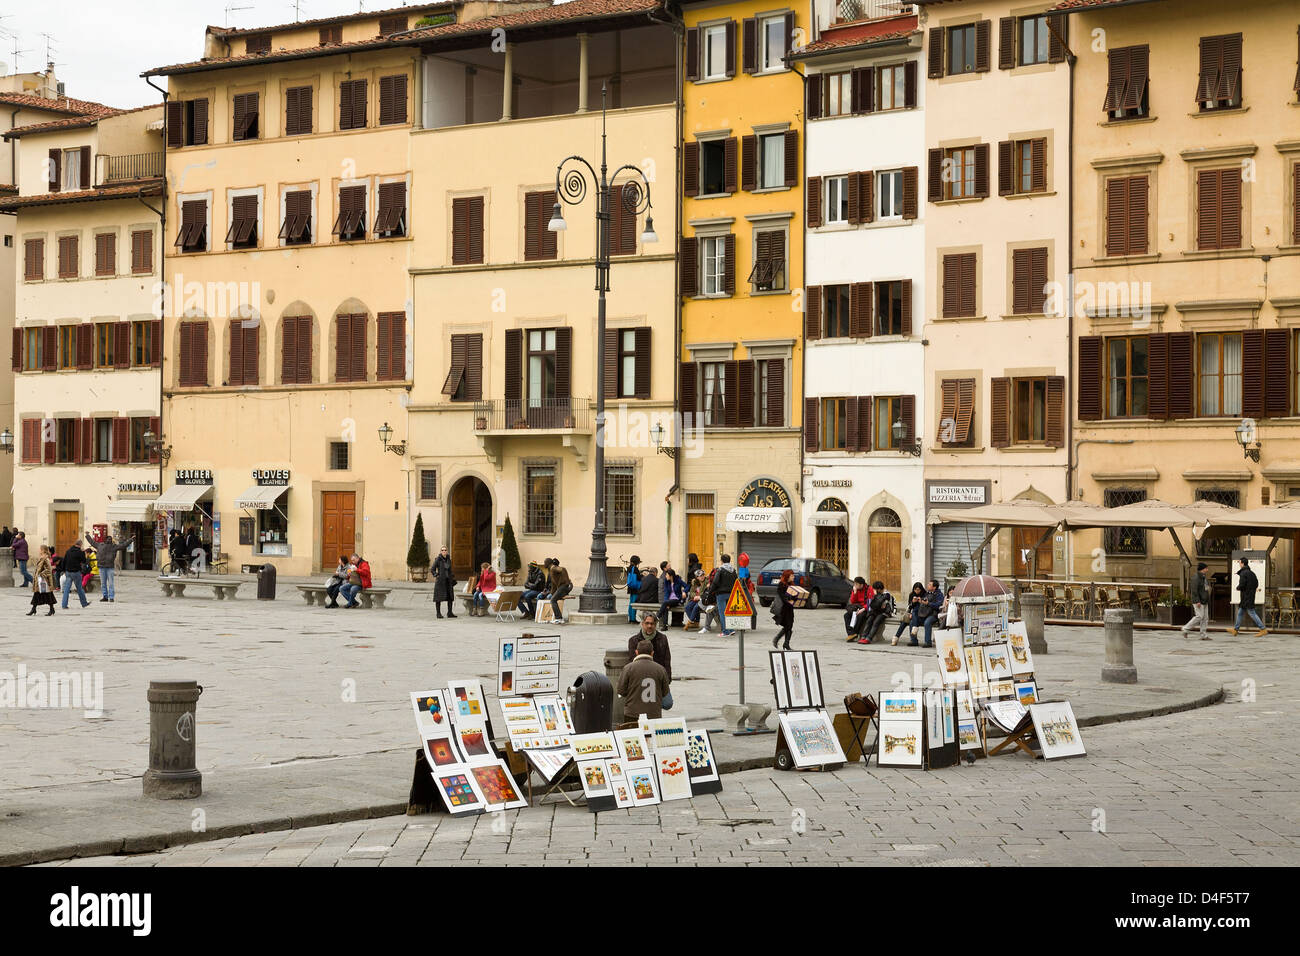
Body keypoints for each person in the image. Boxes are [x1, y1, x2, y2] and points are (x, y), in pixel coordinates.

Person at [616, 638, 671, 723]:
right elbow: (665, 693)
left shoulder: (628, 668)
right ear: (652, 653)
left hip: (632, 714)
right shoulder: (660, 669)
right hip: (654, 715)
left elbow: (621, 691)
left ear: (636, 652)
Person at [627, 612, 673, 683]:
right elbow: (632, 662)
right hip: (640, 679)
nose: (649, 626)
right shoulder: (633, 640)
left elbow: (666, 660)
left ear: (655, 625)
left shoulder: (662, 638)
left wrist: (667, 680)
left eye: (652, 623)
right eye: (647, 623)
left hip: (658, 677)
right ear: (642, 624)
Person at [1229, 559, 1267, 637]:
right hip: (1249, 596)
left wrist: (1238, 587)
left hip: (1246, 597)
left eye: (1239, 562)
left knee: (1252, 612)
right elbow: (1256, 584)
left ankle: (1263, 629)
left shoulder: (1243, 573)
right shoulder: (1252, 573)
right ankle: (1235, 630)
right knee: (1240, 613)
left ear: (1242, 563)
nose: (1239, 564)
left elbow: (1242, 584)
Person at [85, 532, 126, 603]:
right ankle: (111, 597)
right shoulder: (113, 546)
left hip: (102, 567)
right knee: (110, 583)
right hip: (109, 567)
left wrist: (87, 535)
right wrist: (131, 540)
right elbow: (123, 545)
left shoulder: (100, 545)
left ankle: (105, 596)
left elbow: (92, 542)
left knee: (103, 583)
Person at [706, 555, 738, 636]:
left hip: (721, 594)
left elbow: (715, 582)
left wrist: (710, 592)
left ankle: (725, 631)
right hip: (731, 594)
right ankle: (731, 629)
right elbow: (736, 582)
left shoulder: (720, 570)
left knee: (722, 613)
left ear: (722, 561)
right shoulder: (733, 570)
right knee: (729, 612)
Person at [1183, 562, 1212, 641]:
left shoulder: (1203, 577)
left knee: (1205, 618)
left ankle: (1203, 635)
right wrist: (1197, 601)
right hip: (1199, 601)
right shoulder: (1195, 578)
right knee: (1199, 616)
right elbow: (1194, 591)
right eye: (1206, 568)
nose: (1207, 570)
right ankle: (1185, 628)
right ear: (1202, 569)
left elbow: (1205, 589)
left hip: (1204, 600)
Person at [60, 540, 92, 610]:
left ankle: (64, 604)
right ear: (80, 545)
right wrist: (83, 553)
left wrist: (63, 570)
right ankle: (84, 603)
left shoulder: (68, 551)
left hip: (68, 572)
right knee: (79, 588)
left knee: (66, 589)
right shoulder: (80, 552)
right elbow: (84, 561)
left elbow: (64, 561)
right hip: (76, 572)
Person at [27, 545, 57, 617]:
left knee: (47, 595)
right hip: (40, 581)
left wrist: (41, 574)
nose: (39, 550)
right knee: (38, 594)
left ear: (43, 550)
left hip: (44, 581)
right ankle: (34, 609)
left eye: (40, 549)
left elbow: (48, 570)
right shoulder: (42, 558)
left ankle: (50, 609)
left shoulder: (45, 559)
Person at [431, 545, 457, 618]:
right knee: (438, 598)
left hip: (448, 581)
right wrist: (436, 575)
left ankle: (450, 612)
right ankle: (438, 613)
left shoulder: (449, 559)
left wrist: (452, 576)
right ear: (440, 551)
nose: (444, 551)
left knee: (450, 597)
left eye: (445, 550)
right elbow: (432, 569)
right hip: (440, 581)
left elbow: (450, 569)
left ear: (447, 551)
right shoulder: (438, 559)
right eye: (442, 550)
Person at [547, 558, 572, 623]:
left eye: (545, 562)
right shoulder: (551, 571)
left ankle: (559, 618)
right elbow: (554, 585)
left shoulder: (553, 568)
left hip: (563, 587)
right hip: (563, 587)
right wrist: (551, 593)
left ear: (548, 563)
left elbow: (562, 569)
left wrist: (567, 582)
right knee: (552, 598)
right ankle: (559, 618)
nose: (544, 564)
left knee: (553, 600)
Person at [624, 555, 642, 624]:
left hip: (630, 587)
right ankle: (633, 619)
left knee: (631, 603)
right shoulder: (635, 569)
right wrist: (642, 575)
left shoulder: (629, 568)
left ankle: (630, 618)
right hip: (635, 588)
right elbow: (638, 578)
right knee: (634, 603)